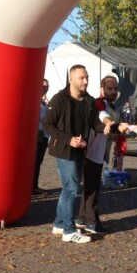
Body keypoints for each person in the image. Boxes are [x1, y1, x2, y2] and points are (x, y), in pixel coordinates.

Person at [43, 64, 106, 244]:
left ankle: (59, 224)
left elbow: (95, 124)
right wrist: (68, 139)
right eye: (82, 78)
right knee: (72, 188)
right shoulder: (59, 99)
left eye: (87, 77)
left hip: (80, 149)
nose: (86, 81)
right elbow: (48, 125)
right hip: (63, 149)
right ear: (71, 79)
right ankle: (69, 231)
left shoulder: (89, 100)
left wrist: (111, 128)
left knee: (68, 188)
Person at [76, 75, 120, 234]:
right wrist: (109, 123)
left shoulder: (111, 104)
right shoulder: (99, 102)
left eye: (115, 88)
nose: (113, 91)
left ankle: (81, 218)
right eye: (109, 88)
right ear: (102, 89)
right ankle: (92, 222)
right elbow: (102, 115)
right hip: (92, 151)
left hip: (99, 151)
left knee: (90, 186)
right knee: (92, 187)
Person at [32, 78, 50, 195]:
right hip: (36, 135)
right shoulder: (36, 102)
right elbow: (42, 118)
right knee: (35, 162)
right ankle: (33, 186)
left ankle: (34, 185)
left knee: (38, 162)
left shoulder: (44, 103)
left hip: (43, 135)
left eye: (47, 86)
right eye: (43, 86)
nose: (45, 88)